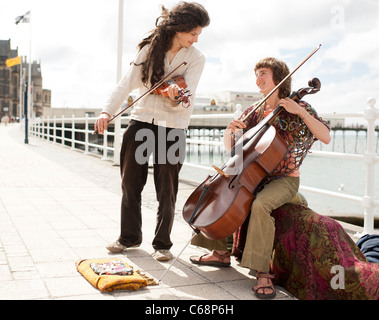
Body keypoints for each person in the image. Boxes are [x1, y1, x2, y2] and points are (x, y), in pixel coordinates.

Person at [190, 57, 331, 298]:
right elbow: (232, 152)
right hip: (254, 176)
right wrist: (230, 132)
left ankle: (263, 271)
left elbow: (325, 136)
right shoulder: (253, 110)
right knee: (223, 192)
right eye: (256, 74)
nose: (258, 79)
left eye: (263, 73)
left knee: (261, 204)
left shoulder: (300, 106)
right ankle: (220, 253)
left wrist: (301, 112)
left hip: (284, 179)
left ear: (279, 77)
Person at [95, 2, 210, 261]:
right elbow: (126, 84)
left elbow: (186, 93)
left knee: (166, 189)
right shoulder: (150, 50)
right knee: (130, 183)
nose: (196, 39)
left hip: (173, 127)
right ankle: (129, 237)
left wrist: (174, 95)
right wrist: (106, 111)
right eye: (193, 33)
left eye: (198, 34)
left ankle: (162, 245)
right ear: (179, 29)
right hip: (142, 120)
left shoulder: (196, 58)